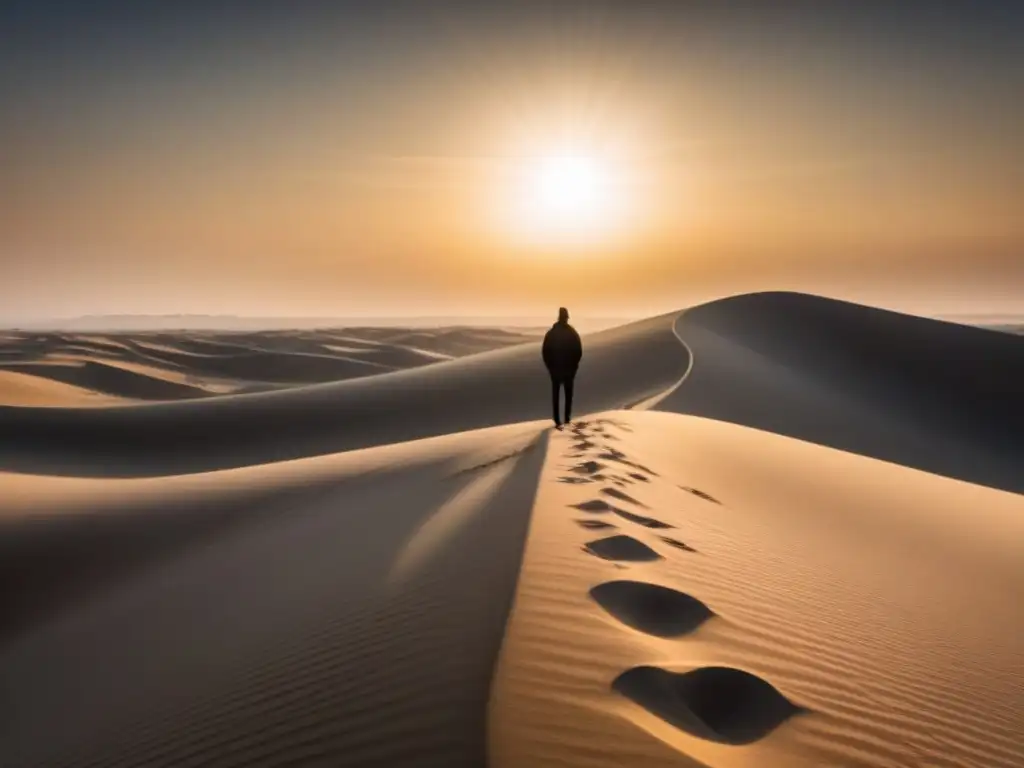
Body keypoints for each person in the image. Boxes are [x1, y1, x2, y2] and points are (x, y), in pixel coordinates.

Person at [542, 307, 583, 429]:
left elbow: (545, 352)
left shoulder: (552, 333)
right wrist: (574, 366)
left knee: (559, 394)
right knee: (567, 394)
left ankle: (560, 419)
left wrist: (550, 367)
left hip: (559, 370)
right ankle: (565, 418)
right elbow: (578, 351)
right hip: (565, 370)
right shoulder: (571, 332)